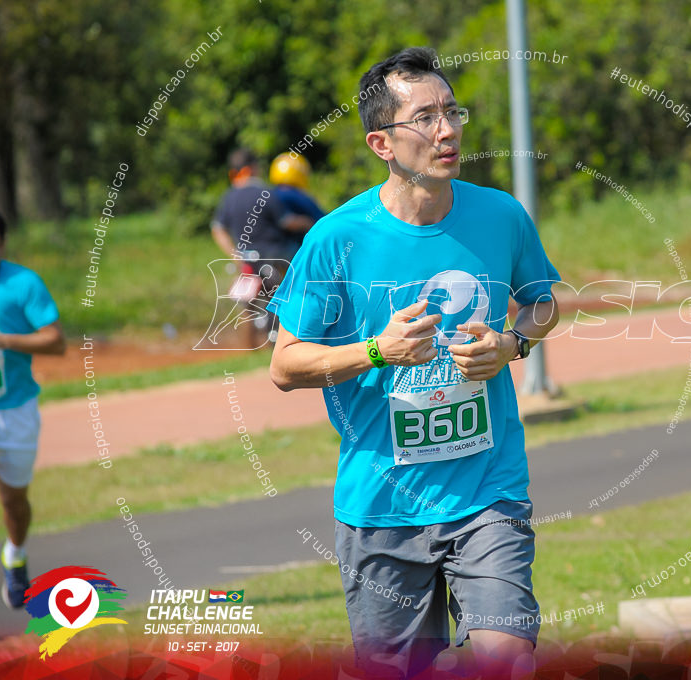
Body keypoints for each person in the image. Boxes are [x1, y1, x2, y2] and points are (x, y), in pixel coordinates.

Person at [267, 47, 559, 679]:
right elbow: (285, 364)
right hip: (381, 507)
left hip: (488, 491)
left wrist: (512, 345)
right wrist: (378, 350)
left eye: (451, 112)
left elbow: (543, 305)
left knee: (508, 657)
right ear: (382, 142)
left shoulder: (501, 215)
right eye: (424, 118)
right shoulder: (336, 239)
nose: (447, 130)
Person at [0, 212, 65, 608]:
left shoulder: (22, 284)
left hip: (15, 411)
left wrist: (4, 339)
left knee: (13, 501)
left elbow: (56, 342)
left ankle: (15, 555)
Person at [210, 149, 315, 347]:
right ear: (251, 169)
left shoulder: (229, 197)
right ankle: (278, 348)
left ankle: (248, 351)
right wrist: (308, 223)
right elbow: (286, 222)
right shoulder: (264, 192)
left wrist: (235, 254)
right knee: (278, 302)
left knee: (247, 308)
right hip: (274, 258)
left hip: (247, 261)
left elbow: (218, 229)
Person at [268, 152, 327, 259]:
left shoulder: (269, 194)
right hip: (294, 251)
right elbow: (322, 220)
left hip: (271, 249)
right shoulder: (298, 196)